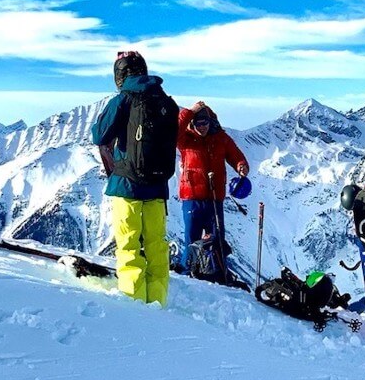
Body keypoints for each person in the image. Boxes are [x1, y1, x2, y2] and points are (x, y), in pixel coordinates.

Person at [88, 51, 181, 304]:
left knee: (129, 246)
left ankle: (134, 303)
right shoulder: (167, 103)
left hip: (127, 185)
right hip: (158, 187)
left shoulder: (123, 100)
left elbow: (99, 136)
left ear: (119, 75)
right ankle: (158, 301)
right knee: (156, 246)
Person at [173, 102, 248, 285]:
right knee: (192, 237)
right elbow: (172, 132)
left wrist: (241, 166)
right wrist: (189, 112)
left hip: (215, 198)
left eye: (205, 123)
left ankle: (220, 273)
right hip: (192, 197)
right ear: (192, 123)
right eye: (198, 124)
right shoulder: (185, 139)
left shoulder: (220, 138)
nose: (202, 127)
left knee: (217, 239)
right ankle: (187, 272)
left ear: (210, 122)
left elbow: (235, 155)